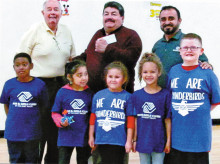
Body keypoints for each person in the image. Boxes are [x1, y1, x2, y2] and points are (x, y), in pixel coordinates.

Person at [16, 0, 76, 163]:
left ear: (61, 13)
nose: (52, 12)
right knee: (38, 132)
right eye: (48, 9)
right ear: (43, 13)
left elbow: (71, 59)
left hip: (61, 86)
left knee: (56, 132)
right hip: (38, 86)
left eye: (56, 9)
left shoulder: (66, 31)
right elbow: (21, 58)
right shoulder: (35, 30)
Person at [167, 33, 220, 164]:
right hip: (177, 136)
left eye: (193, 47)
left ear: (201, 51)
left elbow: (215, 101)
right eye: (185, 47)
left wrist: (199, 111)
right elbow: (169, 98)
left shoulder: (208, 74)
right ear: (180, 51)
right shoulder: (173, 71)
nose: (189, 50)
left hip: (199, 137)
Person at [75, 1, 142, 93]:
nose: (109, 17)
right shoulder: (98, 33)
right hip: (93, 94)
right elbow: (87, 55)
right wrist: (71, 62)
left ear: (122, 18)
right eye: (106, 14)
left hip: (119, 95)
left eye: (113, 14)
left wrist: (107, 49)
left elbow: (131, 59)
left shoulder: (131, 35)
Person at [0, 53, 48, 163]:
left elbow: (43, 106)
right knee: (15, 159)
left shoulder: (40, 85)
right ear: (14, 67)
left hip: (32, 133)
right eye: (17, 65)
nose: (21, 67)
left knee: (31, 160)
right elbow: (6, 104)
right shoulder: (9, 84)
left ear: (31, 66)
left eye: (24, 64)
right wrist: (13, 118)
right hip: (13, 133)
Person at [152, 5, 211, 88]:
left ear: (179, 20)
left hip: (181, 95)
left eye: (171, 18)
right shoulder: (157, 45)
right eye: (163, 19)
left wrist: (207, 64)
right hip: (160, 96)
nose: (167, 22)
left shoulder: (188, 41)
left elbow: (205, 64)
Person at [88, 61, 134, 164]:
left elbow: (130, 121)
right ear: (106, 77)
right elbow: (93, 118)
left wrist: (129, 141)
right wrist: (91, 136)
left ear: (124, 79)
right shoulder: (98, 95)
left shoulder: (127, 97)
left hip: (118, 141)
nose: (113, 80)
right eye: (110, 76)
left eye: (117, 77)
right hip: (100, 140)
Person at [130, 53, 171, 164]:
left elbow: (167, 120)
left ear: (159, 73)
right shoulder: (136, 95)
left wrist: (168, 141)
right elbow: (135, 120)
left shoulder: (165, 95)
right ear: (140, 73)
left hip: (159, 142)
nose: (149, 75)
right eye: (145, 72)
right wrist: (134, 140)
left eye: (152, 72)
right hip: (143, 142)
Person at [51, 60, 93, 164]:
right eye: (79, 75)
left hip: (83, 137)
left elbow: (92, 115)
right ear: (70, 77)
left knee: (83, 161)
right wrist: (61, 121)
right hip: (66, 137)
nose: (84, 78)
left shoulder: (90, 93)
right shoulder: (62, 92)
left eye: (86, 74)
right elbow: (55, 112)